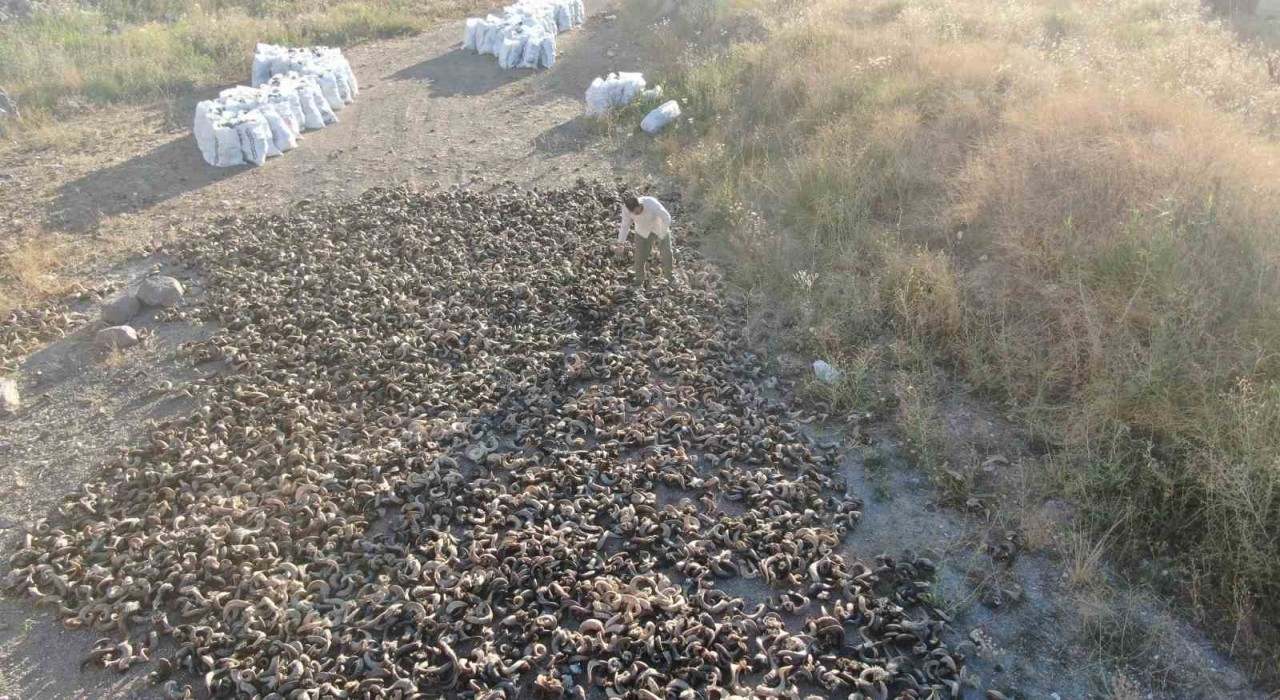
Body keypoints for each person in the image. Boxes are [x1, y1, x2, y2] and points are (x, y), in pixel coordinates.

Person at [615, 193, 675, 285]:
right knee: (639, 256)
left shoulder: (651, 204)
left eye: (637, 211)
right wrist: (620, 243)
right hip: (641, 232)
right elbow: (625, 225)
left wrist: (661, 236)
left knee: (667, 252)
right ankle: (639, 279)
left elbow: (667, 218)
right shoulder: (626, 209)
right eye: (633, 213)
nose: (635, 214)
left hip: (659, 229)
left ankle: (670, 277)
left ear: (640, 205)